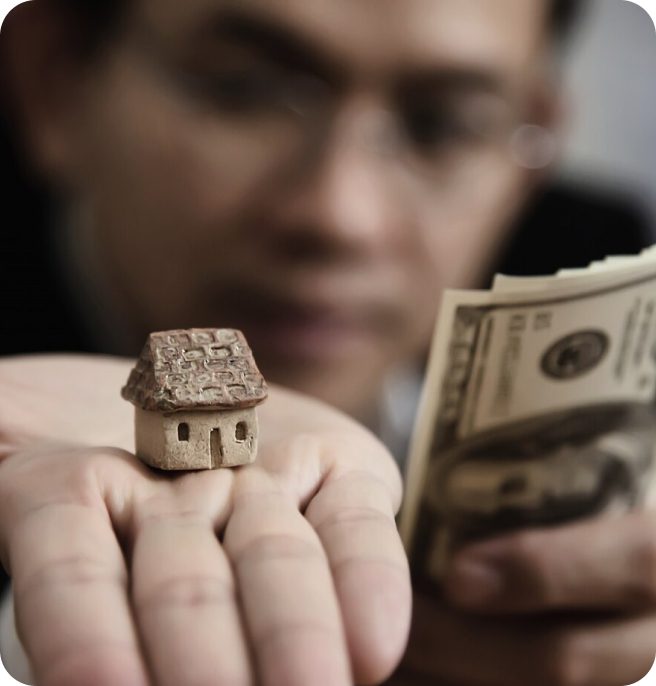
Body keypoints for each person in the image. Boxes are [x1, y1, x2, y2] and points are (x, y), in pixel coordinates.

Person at [0, 0, 654, 684]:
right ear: (56, 80)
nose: (340, 215)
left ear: (533, 146)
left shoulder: (599, 270)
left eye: (443, 125)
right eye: (242, 87)